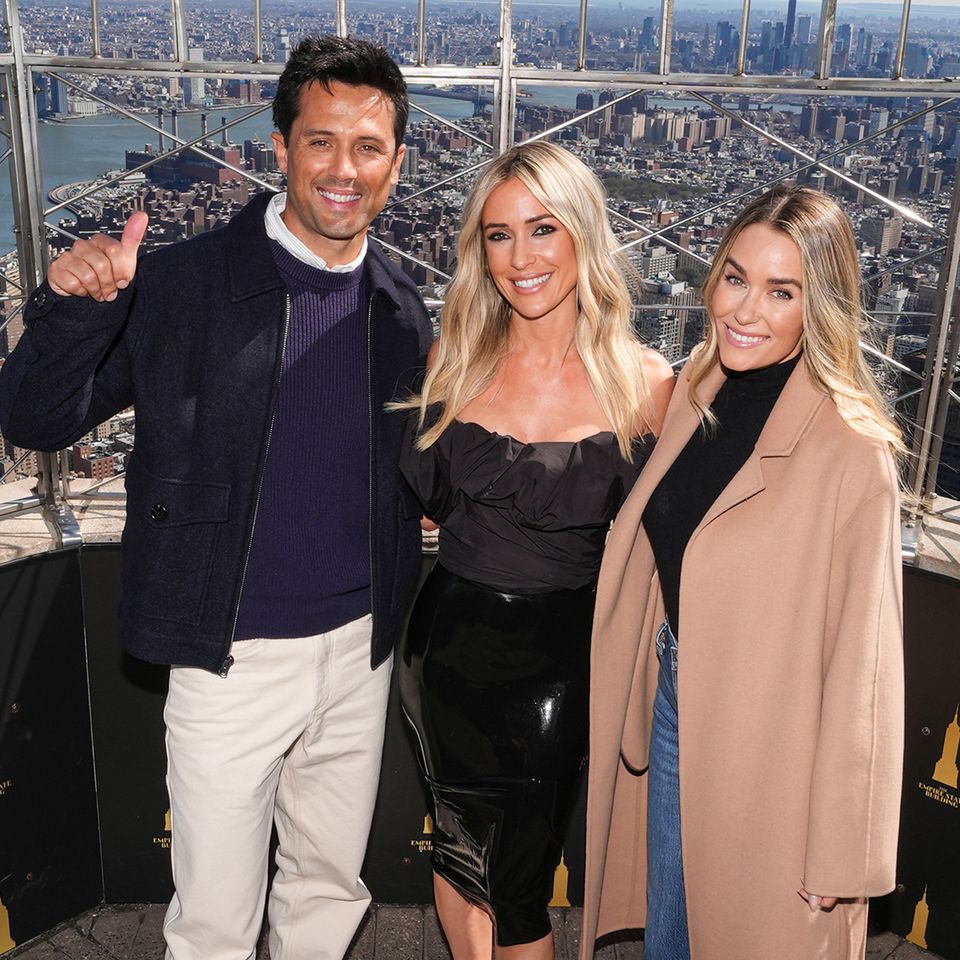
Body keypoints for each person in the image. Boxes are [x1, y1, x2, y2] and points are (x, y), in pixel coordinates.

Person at [0, 36, 433, 960]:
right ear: (280, 149)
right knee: (214, 922)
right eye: (320, 142)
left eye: (368, 147)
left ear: (397, 162)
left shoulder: (403, 304)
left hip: (359, 652)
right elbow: (36, 418)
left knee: (327, 888)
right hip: (229, 653)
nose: (344, 170)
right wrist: (75, 308)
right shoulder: (182, 284)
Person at [580, 185, 904, 960]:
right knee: (672, 937)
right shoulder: (700, 387)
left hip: (777, 746)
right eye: (735, 278)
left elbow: (868, 669)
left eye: (781, 291)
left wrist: (843, 845)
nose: (745, 310)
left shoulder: (855, 452)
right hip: (676, 701)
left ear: (818, 306)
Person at [395, 141, 675, 960]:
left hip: (563, 664)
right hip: (443, 647)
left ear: (582, 234)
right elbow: (431, 495)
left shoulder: (647, 382)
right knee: (455, 850)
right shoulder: (458, 355)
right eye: (498, 234)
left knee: (517, 886)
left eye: (542, 229)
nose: (520, 258)